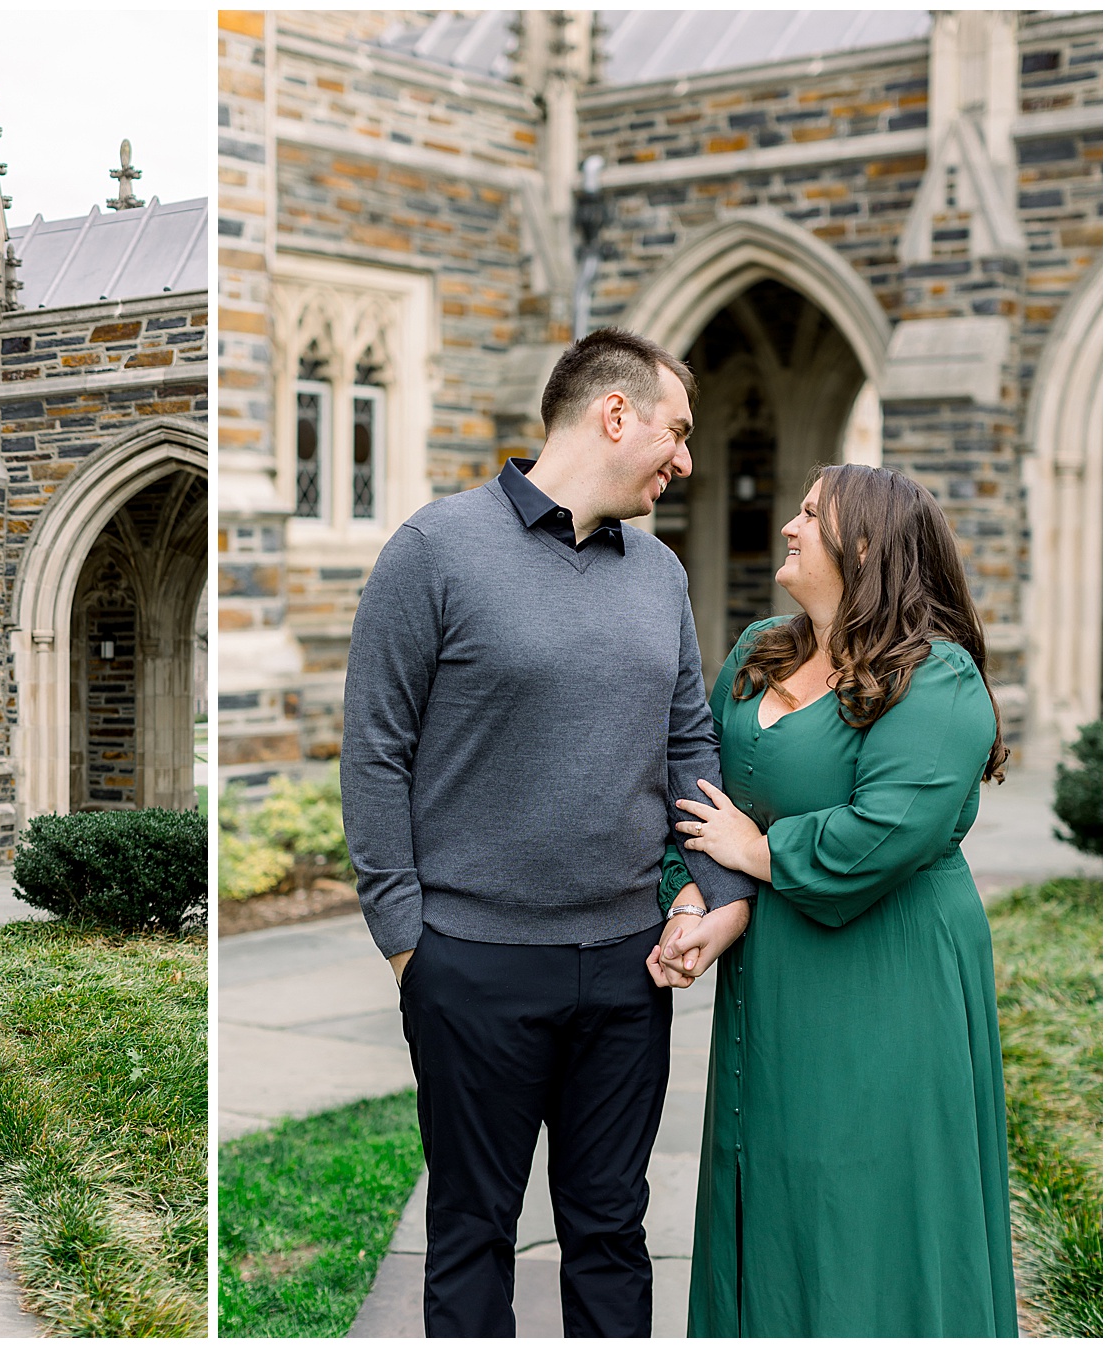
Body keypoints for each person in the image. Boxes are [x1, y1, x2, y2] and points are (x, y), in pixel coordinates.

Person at [342, 327, 755, 1337]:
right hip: (469, 965)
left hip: (625, 969)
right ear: (616, 415)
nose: (687, 459)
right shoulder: (434, 551)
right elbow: (373, 751)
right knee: (473, 1230)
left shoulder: (656, 573)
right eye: (678, 431)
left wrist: (711, 885)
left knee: (611, 1229)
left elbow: (687, 740)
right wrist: (407, 942)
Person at [652, 464, 1018, 1336]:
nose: (788, 525)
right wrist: (695, 902)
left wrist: (758, 850)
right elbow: (698, 799)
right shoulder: (756, 653)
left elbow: (886, 833)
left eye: (810, 514)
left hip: (889, 976)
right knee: (772, 1175)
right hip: (774, 972)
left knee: (864, 1191)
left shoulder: (940, 679)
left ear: (864, 544)